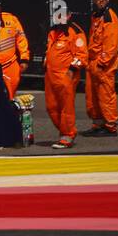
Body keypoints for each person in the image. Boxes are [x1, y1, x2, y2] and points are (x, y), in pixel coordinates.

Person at [44, 15, 87, 150]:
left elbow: (82, 55)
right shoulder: (53, 31)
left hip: (65, 75)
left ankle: (67, 134)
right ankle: (65, 131)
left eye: (63, 15)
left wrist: (72, 70)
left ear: (69, 16)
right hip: (51, 75)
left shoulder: (76, 32)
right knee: (51, 107)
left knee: (66, 107)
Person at [85, 0, 118, 136]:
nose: (100, 0)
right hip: (93, 61)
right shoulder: (96, 16)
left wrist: (101, 63)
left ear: (107, 0)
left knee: (106, 95)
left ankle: (110, 126)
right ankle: (98, 124)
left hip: (103, 64)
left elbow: (111, 45)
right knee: (92, 97)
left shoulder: (109, 18)